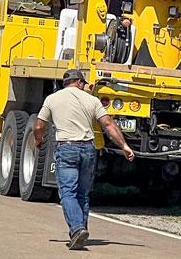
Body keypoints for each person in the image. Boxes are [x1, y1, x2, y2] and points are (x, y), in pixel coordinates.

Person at [33, 68, 135, 249]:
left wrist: (38, 140)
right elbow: (108, 124)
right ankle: (80, 232)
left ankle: (78, 228)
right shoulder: (92, 100)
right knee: (82, 193)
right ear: (79, 82)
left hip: (67, 149)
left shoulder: (52, 99)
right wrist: (124, 146)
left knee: (67, 193)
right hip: (88, 149)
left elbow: (40, 125)